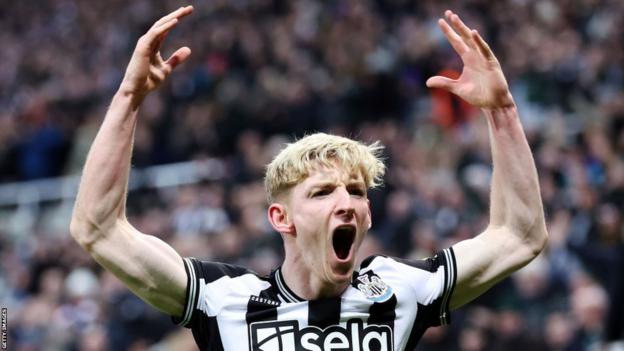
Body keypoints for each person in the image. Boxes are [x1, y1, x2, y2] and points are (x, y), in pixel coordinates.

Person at [70, 5, 548, 350]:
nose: (346, 202)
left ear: (367, 214)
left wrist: (502, 111)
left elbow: (520, 236)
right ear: (281, 216)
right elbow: (98, 228)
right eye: (321, 192)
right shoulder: (223, 299)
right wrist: (130, 96)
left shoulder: (400, 289)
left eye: (357, 192)